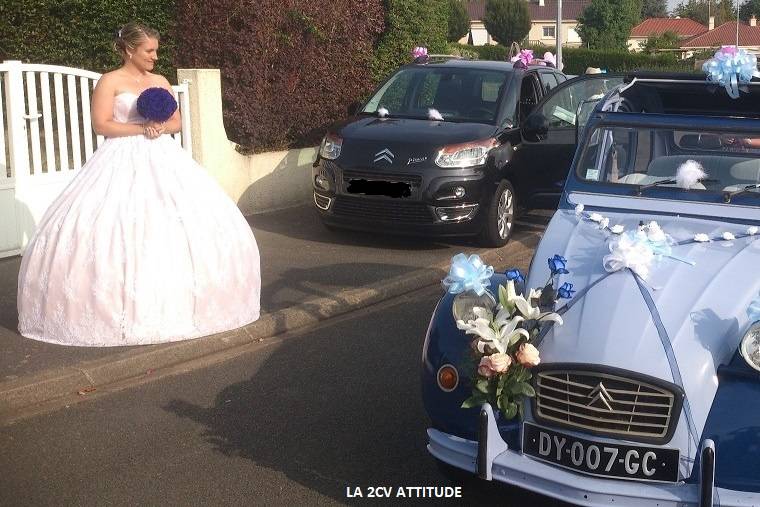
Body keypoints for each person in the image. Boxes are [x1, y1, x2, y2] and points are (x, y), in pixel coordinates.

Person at [16, 22, 261, 346]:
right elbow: (101, 124)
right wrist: (140, 129)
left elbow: (176, 119)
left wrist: (161, 126)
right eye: (149, 50)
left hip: (163, 155)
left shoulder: (159, 81)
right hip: (118, 157)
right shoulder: (110, 81)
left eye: (156, 50)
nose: (155, 57)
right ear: (130, 50)